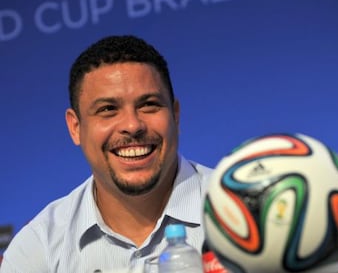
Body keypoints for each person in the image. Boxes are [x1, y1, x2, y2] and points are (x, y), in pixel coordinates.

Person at [0, 35, 212, 273]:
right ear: (75, 127)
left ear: (175, 114)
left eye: (149, 104)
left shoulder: (247, 211)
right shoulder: (39, 248)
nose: (132, 126)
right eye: (108, 109)